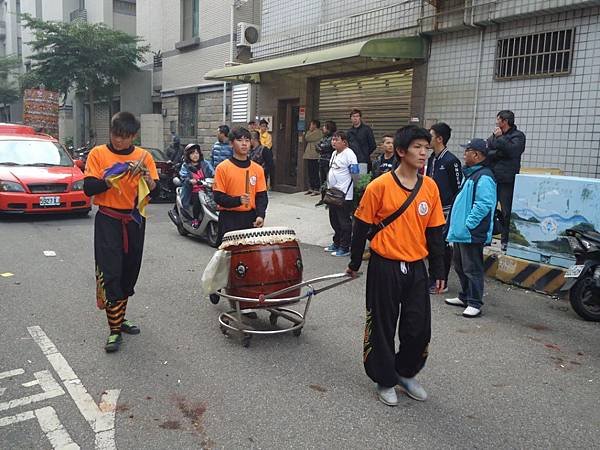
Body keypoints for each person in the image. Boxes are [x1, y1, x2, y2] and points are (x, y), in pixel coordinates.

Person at [346, 125, 446, 406]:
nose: (423, 152)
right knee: (382, 326)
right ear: (401, 151)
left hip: (416, 267)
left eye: (426, 147)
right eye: (417, 147)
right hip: (384, 265)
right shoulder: (379, 186)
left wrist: (439, 270)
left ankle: (405, 372)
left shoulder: (430, 187)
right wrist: (354, 262)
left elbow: (435, 232)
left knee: (418, 329)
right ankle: (385, 378)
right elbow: (361, 227)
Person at [83, 112, 159, 353]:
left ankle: (120, 317)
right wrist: (111, 178)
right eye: (116, 135)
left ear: (134, 136)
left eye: (124, 137)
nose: (118, 141)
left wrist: (147, 178)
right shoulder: (98, 154)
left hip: (134, 220)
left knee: (129, 270)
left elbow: (153, 190)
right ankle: (114, 330)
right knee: (111, 271)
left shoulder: (143, 157)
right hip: (108, 219)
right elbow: (88, 188)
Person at [445, 138, 497, 318]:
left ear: (476, 154)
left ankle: (475, 302)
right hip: (462, 232)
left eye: (467, 150)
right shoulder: (472, 174)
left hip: (471, 233)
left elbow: (484, 204)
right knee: (459, 265)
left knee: (472, 268)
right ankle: (465, 296)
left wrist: (469, 224)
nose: (464, 154)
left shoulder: (484, 176)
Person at [213, 127, 268, 247]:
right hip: (229, 219)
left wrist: (260, 215)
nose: (244, 144)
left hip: (250, 219)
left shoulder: (257, 169)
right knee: (229, 261)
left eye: (247, 140)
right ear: (231, 143)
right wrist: (238, 200)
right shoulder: (222, 168)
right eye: (240, 140)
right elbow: (218, 197)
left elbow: (262, 196)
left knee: (251, 259)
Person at [426, 122, 462, 294]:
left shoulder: (451, 161)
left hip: (445, 211)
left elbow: (457, 189)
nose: (427, 139)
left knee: (442, 247)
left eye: (430, 135)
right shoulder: (432, 158)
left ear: (439, 139)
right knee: (430, 245)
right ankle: (431, 278)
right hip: (431, 210)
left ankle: (442, 281)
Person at [486, 110, 526, 251]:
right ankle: (487, 238)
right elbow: (487, 150)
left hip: (507, 180)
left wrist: (501, 140)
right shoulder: (495, 135)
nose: (496, 122)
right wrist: (499, 152)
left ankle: (505, 241)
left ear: (504, 121)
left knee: (506, 212)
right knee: (489, 208)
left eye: (498, 119)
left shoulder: (518, 136)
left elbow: (513, 151)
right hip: (493, 178)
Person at [324, 131, 358, 257]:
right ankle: (336, 243)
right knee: (334, 220)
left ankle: (345, 247)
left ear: (344, 142)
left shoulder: (349, 154)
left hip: (344, 194)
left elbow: (355, 173)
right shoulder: (334, 154)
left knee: (344, 222)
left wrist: (353, 187)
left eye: (336, 140)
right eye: (333, 139)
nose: (333, 142)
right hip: (332, 193)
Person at [179, 143, 215, 228]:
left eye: (197, 153)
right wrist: (190, 181)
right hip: (192, 191)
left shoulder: (205, 163)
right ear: (188, 155)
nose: (195, 155)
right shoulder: (185, 166)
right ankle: (195, 219)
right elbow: (183, 177)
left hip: (207, 189)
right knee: (197, 198)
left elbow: (213, 173)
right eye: (192, 153)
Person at [315, 120, 336, 207]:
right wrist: (321, 147)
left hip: (328, 161)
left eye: (325, 126)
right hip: (322, 160)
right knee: (322, 179)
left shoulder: (333, 138)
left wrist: (322, 147)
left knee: (329, 181)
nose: (323, 128)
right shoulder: (324, 137)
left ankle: (330, 199)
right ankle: (323, 198)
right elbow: (317, 146)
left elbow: (327, 147)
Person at [303, 119, 323, 195]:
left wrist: (308, 131)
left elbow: (307, 138)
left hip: (315, 155)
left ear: (315, 125)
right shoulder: (312, 132)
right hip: (310, 155)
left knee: (315, 172)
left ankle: (317, 188)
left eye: (311, 125)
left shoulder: (318, 132)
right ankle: (311, 187)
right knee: (310, 172)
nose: (310, 126)